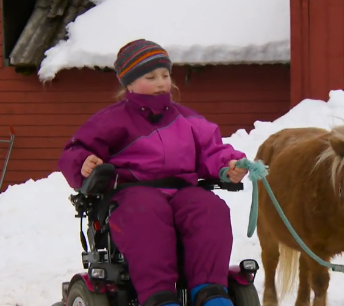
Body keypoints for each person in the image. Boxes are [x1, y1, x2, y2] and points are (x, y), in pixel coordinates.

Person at [58, 39, 248, 306]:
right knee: (146, 212)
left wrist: (228, 165)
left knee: (209, 208)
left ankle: (210, 292)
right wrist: (84, 162)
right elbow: (76, 150)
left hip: (183, 189)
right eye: (151, 77)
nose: (161, 82)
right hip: (132, 192)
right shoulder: (112, 120)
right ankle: (159, 296)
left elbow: (211, 149)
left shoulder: (188, 119)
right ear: (129, 84)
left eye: (165, 75)